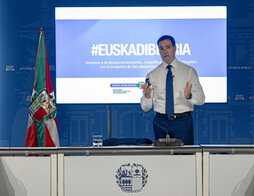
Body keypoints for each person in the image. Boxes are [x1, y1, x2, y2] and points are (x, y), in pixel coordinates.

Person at [140, 35, 205, 145]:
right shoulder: (152, 75)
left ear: (175, 48)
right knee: (163, 159)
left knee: (185, 158)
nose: (165, 51)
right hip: (160, 122)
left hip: (183, 122)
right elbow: (145, 108)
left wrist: (189, 96)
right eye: (161, 48)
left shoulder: (189, 71)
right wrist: (146, 96)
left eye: (168, 47)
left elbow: (201, 100)